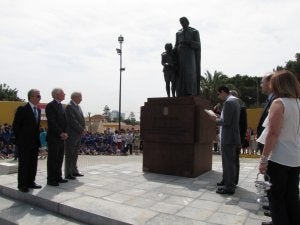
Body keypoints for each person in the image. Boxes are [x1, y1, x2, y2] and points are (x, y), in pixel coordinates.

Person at [258, 70, 300, 225]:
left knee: (276, 198)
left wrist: (263, 159)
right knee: (292, 196)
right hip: (295, 158)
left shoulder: (279, 103)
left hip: (279, 158)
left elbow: (273, 133)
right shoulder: (298, 103)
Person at [208, 86, 240, 195]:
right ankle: (228, 183)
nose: (218, 96)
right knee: (229, 162)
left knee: (228, 163)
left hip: (228, 137)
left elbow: (226, 121)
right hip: (230, 136)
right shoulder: (235, 101)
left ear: (222, 92)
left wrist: (214, 118)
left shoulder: (229, 102)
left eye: (218, 94)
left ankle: (229, 187)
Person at [12, 89, 42, 192]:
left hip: (34, 143)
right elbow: (16, 126)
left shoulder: (37, 110)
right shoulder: (22, 109)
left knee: (33, 164)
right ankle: (22, 184)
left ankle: (31, 182)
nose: (40, 98)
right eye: (38, 96)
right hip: (24, 143)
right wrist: (21, 140)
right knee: (24, 164)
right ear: (31, 97)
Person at [217, 90, 247, 186]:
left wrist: (240, 141)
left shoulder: (239, 107)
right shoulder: (229, 105)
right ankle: (226, 180)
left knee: (232, 162)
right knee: (227, 161)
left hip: (233, 138)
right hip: (227, 137)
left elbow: (243, 126)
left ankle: (233, 182)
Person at [45, 88, 68, 186]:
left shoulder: (61, 106)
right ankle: (51, 179)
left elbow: (65, 121)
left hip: (62, 137)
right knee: (53, 159)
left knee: (59, 158)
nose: (64, 94)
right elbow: (52, 122)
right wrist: (60, 133)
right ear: (57, 94)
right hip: (54, 137)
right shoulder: (50, 106)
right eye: (63, 93)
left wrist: (65, 132)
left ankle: (58, 177)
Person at [174, 17, 201, 96]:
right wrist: (172, 50)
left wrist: (188, 42)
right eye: (181, 22)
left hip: (190, 55)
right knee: (180, 74)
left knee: (190, 73)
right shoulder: (178, 33)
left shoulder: (194, 31)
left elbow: (198, 45)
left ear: (188, 22)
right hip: (180, 55)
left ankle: (190, 92)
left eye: (184, 21)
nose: (183, 23)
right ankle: (180, 93)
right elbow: (176, 44)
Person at [64, 92, 86, 179]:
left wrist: (82, 129)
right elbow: (72, 121)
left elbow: (81, 119)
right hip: (72, 134)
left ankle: (74, 170)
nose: (81, 99)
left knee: (75, 154)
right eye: (80, 97)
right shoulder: (69, 106)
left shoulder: (78, 107)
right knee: (70, 154)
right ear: (75, 97)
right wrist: (82, 129)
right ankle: (68, 173)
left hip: (78, 134)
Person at [257, 73, 275, 155]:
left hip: (272, 149)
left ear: (269, 83)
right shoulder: (270, 100)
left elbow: (272, 129)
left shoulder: (276, 100)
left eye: (262, 82)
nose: (260, 85)